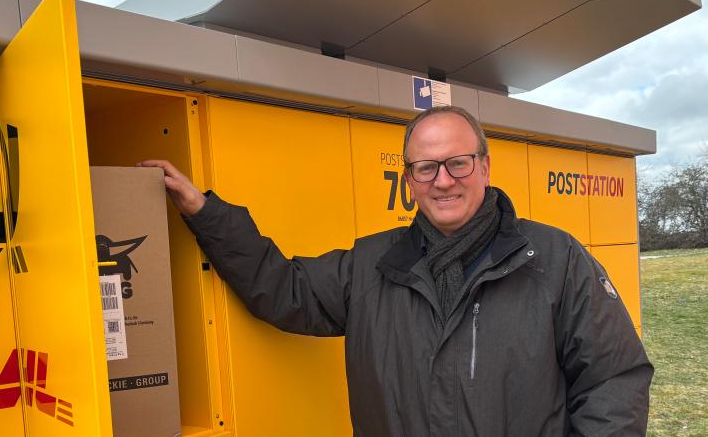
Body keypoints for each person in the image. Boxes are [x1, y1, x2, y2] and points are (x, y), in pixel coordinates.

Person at [141, 106, 652, 436]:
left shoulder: (553, 259)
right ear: (408, 179)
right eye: (425, 167)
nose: (443, 181)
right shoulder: (372, 266)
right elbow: (283, 288)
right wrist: (203, 212)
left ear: (485, 167)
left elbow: (615, 382)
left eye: (458, 163)